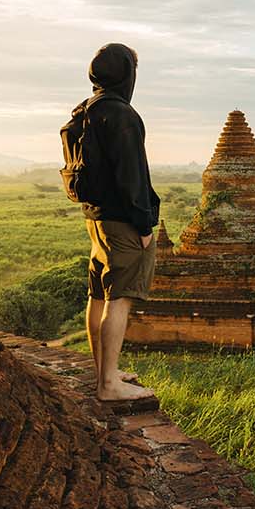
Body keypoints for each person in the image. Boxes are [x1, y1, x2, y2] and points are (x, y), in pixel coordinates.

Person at [79, 43, 160, 401]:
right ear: (128, 73)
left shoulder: (87, 110)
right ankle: (109, 384)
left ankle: (103, 372)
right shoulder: (123, 115)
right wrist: (144, 226)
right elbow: (133, 177)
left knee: (98, 295)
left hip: (96, 219)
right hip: (122, 222)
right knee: (121, 298)